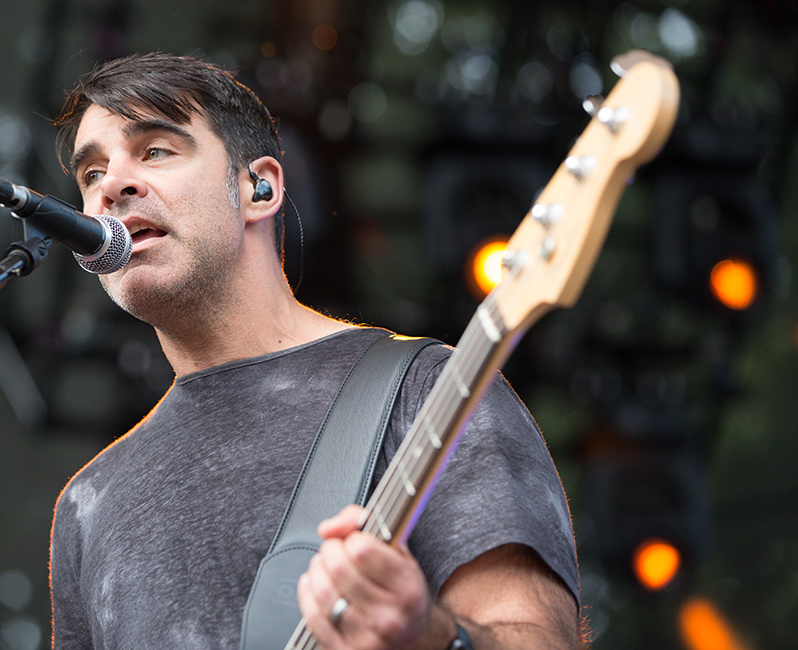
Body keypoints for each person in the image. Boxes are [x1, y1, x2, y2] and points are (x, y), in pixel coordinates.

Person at [48, 52, 582, 650]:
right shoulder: (86, 505)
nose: (111, 187)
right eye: (91, 173)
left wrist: (432, 638)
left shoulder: (429, 390)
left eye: (155, 151)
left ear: (259, 188)